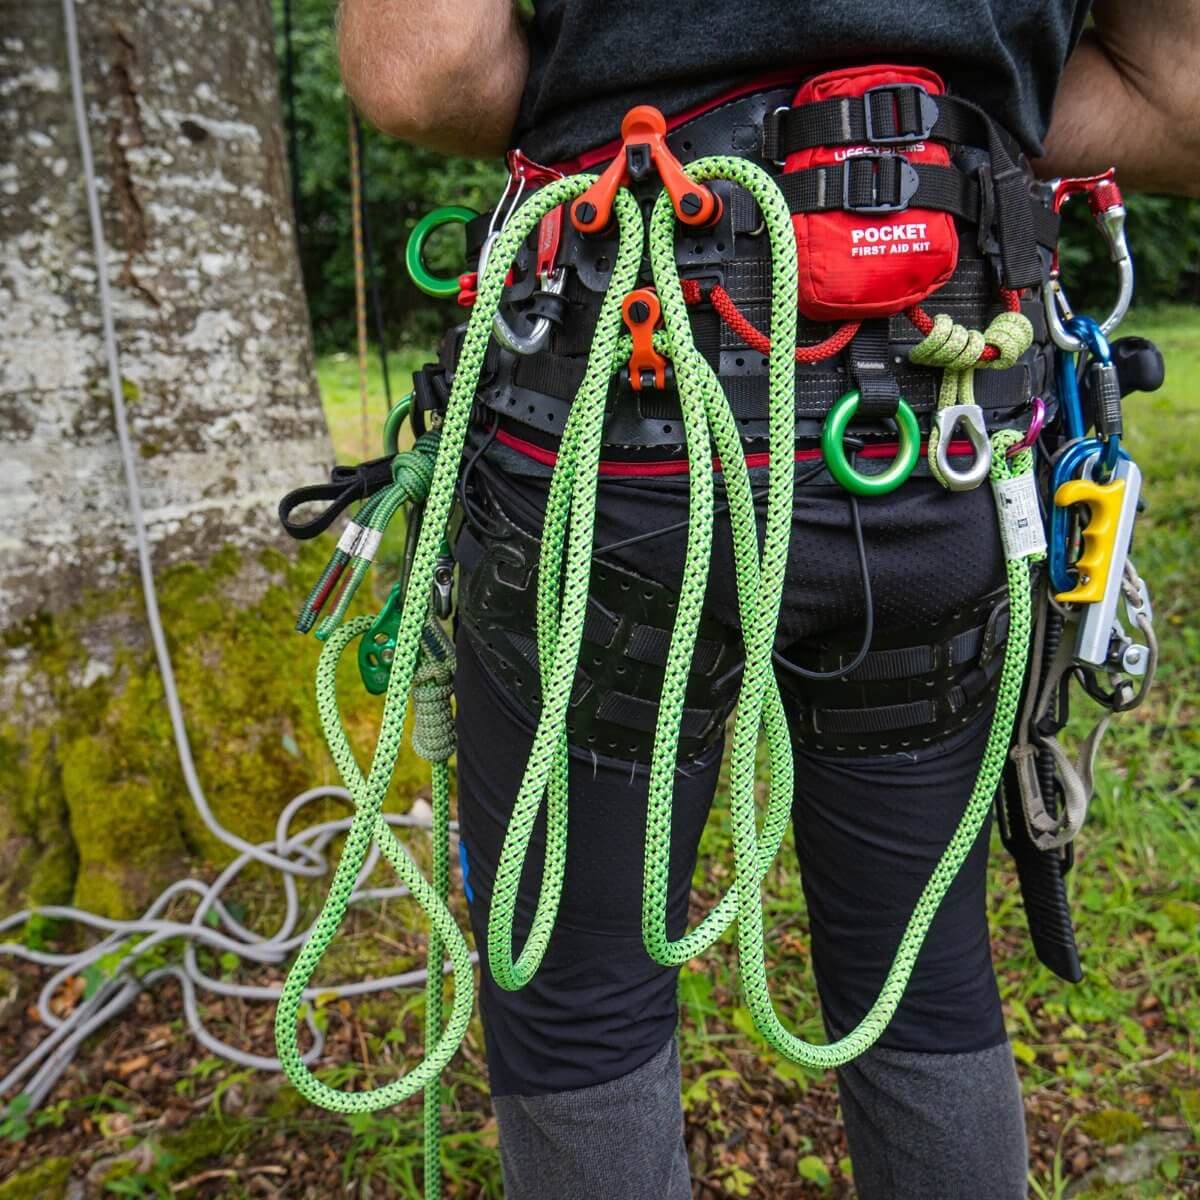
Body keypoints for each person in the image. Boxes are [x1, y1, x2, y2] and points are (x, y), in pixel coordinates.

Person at [335, 3, 1200, 1197]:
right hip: (946, 427)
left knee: (576, 993)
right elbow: (1180, 93)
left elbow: (422, 74)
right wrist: (920, 132)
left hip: (619, 444)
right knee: (922, 966)